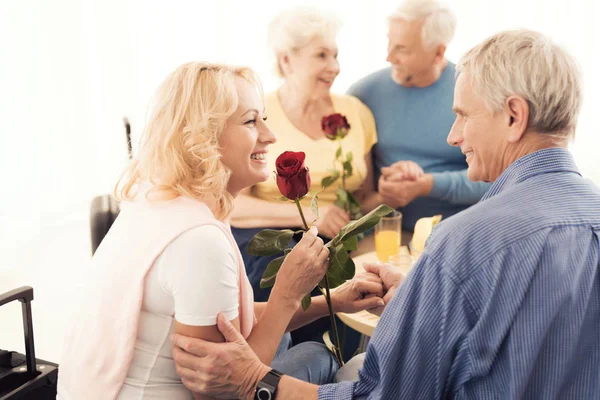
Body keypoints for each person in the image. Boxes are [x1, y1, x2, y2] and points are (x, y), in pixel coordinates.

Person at [170, 29, 600, 399]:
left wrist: (255, 382)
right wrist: (426, 292)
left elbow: (382, 394)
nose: (453, 137)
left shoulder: (464, 243)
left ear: (513, 116)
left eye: (463, 116)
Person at [56, 62, 386, 400]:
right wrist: (287, 293)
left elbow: (227, 319)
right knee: (318, 357)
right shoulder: (198, 243)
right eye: (250, 121)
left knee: (311, 353)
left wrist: (338, 301)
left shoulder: (156, 199)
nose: (270, 136)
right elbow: (229, 390)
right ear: (203, 138)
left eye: (265, 120)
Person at [231, 6, 382, 302]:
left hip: (337, 238)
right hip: (270, 239)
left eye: (335, 55)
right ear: (287, 60)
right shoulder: (256, 113)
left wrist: (391, 195)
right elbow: (234, 205)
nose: (335, 66)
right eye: (322, 55)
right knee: (292, 269)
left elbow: (365, 197)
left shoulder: (356, 112)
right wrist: (313, 219)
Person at [348, 0, 490, 232]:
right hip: (385, 236)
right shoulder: (362, 94)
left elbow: (496, 181)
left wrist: (426, 185)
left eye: (402, 49)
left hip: (458, 233)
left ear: (438, 53)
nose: (389, 57)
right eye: (389, 43)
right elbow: (354, 192)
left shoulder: (473, 93)